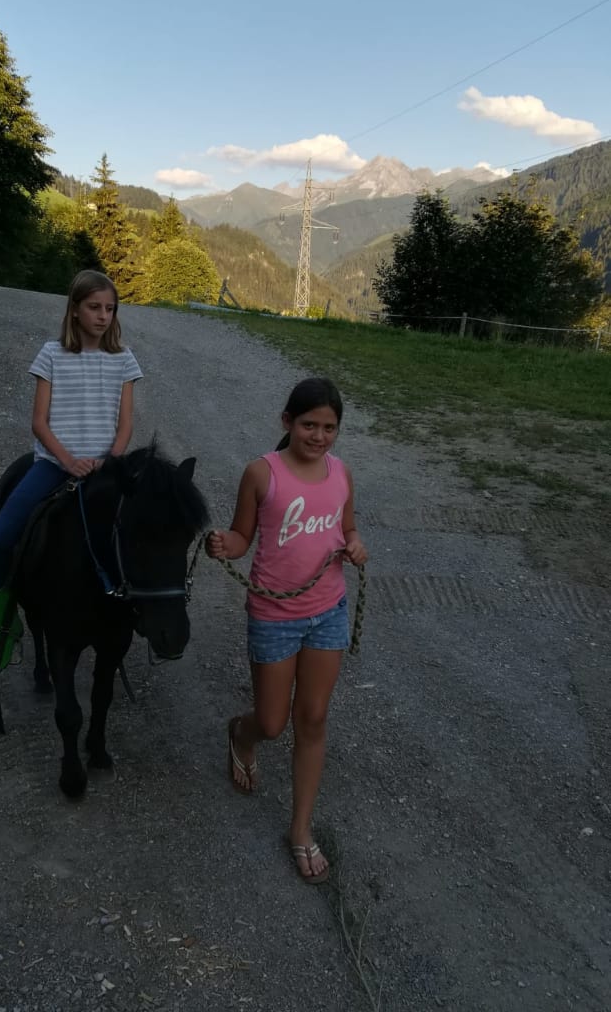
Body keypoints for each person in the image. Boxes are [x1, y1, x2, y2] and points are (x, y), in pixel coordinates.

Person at [206, 377, 367, 884]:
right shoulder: (262, 473)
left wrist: (356, 544)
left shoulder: (341, 474)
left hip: (328, 612)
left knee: (312, 718)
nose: (318, 436)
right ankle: (242, 733)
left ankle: (301, 828)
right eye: (308, 425)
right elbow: (242, 537)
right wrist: (223, 545)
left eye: (329, 428)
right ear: (287, 422)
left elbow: (348, 527)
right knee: (273, 723)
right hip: (274, 617)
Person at [0, 270, 143, 675]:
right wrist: (68, 461)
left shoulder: (123, 359)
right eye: (94, 307)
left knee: (142, 533)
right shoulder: (51, 354)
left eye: (110, 308)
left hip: (105, 468)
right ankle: (5, 628)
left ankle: (136, 613)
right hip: (55, 465)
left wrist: (110, 460)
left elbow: (125, 425)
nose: (103, 316)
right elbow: (39, 422)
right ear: (74, 310)